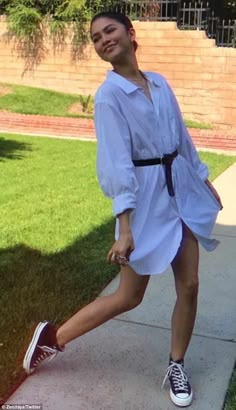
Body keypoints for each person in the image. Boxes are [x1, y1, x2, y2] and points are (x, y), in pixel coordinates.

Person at [22, 11, 223, 407]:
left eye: (109, 31)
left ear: (131, 34)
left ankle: (176, 364)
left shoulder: (160, 83)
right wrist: (125, 227)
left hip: (178, 192)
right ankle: (52, 338)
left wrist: (202, 179)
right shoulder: (110, 95)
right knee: (129, 297)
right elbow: (116, 163)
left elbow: (181, 137)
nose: (102, 40)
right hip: (145, 200)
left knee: (191, 284)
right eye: (95, 38)